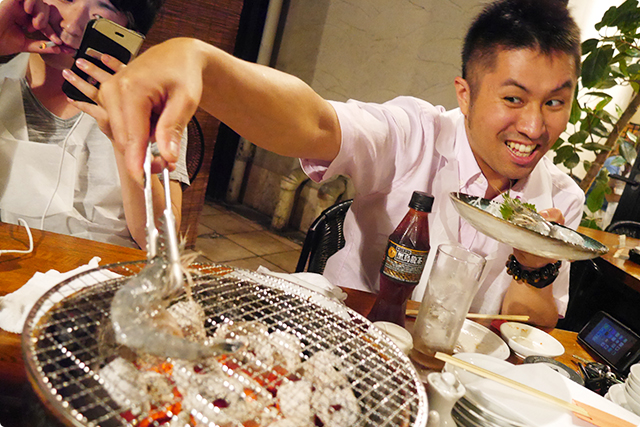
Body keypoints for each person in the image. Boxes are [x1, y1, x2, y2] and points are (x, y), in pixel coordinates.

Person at [82, 0, 584, 327]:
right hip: (354, 338)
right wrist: (200, 63)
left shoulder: (560, 197)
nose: (535, 128)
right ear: (466, 94)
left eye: (555, 103)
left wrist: (535, 263)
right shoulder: (416, 133)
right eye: (514, 99)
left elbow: (530, 330)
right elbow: (316, 123)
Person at [0, 0, 189, 249]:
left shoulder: (153, 103)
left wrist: (127, 141)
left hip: (102, 272)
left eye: (103, 10)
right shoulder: (4, 76)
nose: (72, 25)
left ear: (131, 30)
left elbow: (162, 242)